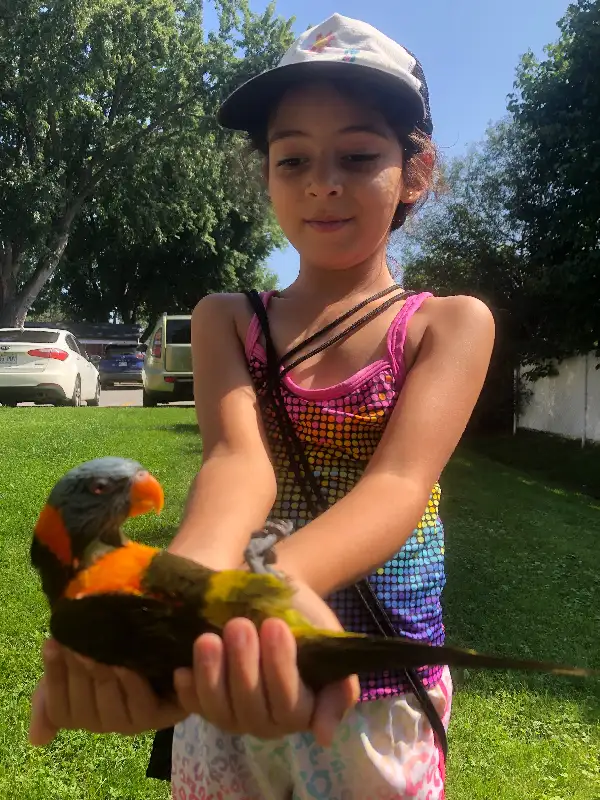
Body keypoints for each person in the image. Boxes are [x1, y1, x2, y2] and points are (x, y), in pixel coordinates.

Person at [29, 13, 495, 799]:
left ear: (415, 172)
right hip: (232, 677)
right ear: (267, 175)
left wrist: (252, 595)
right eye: (293, 159)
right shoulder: (226, 319)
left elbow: (398, 487)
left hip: (375, 681)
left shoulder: (448, 325)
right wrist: (178, 606)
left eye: (358, 154)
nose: (323, 181)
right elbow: (238, 465)